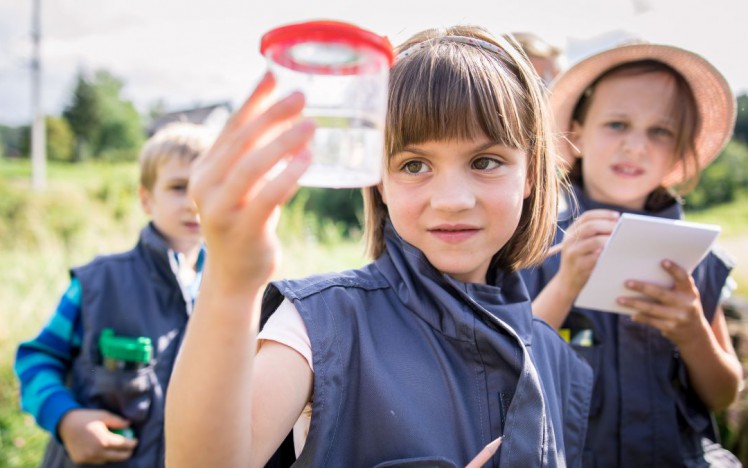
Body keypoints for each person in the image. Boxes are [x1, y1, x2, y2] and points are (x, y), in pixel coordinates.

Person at [165, 25, 593, 467]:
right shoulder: (319, 324)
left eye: (485, 162)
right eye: (414, 165)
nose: (452, 200)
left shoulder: (552, 355)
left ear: (530, 174)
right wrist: (231, 282)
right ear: (380, 182)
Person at [520, 42, 743, 466]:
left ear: (680, 149)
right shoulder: (536, 246)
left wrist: (693, 332)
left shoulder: (699, 258)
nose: (636, 146)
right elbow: (512, 370)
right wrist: (565, 285)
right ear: (579, 132)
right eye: (618, 124)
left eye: (660, 131)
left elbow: (723, 393)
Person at [14, 122, 215, 467]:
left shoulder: (231, 291)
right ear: (145, 199)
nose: (194, 203)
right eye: (179, 187)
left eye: (207, 187)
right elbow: (37, 359)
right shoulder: (99, 284)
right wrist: (66, 419)